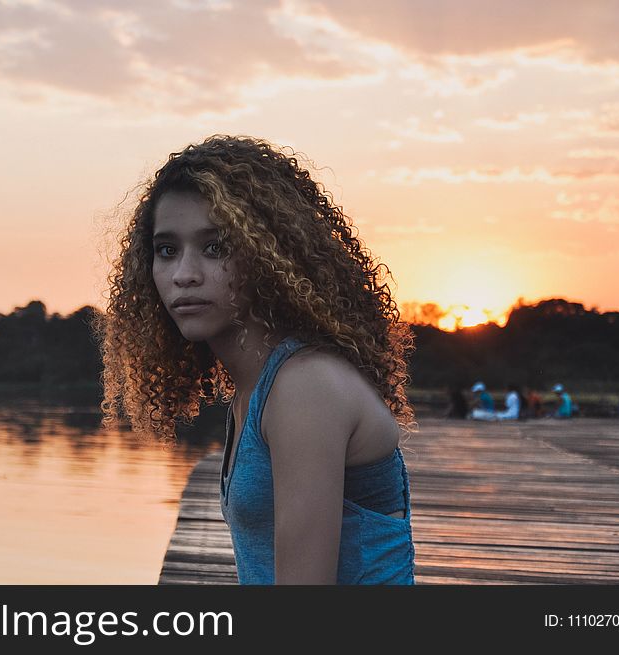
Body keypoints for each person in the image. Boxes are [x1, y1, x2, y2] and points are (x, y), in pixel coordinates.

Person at [92, 135, 415, 584]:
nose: (183, 274)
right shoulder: (260, 386)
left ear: (270, 254)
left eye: (215, 247)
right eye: (167, 250)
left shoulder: (306, 386)